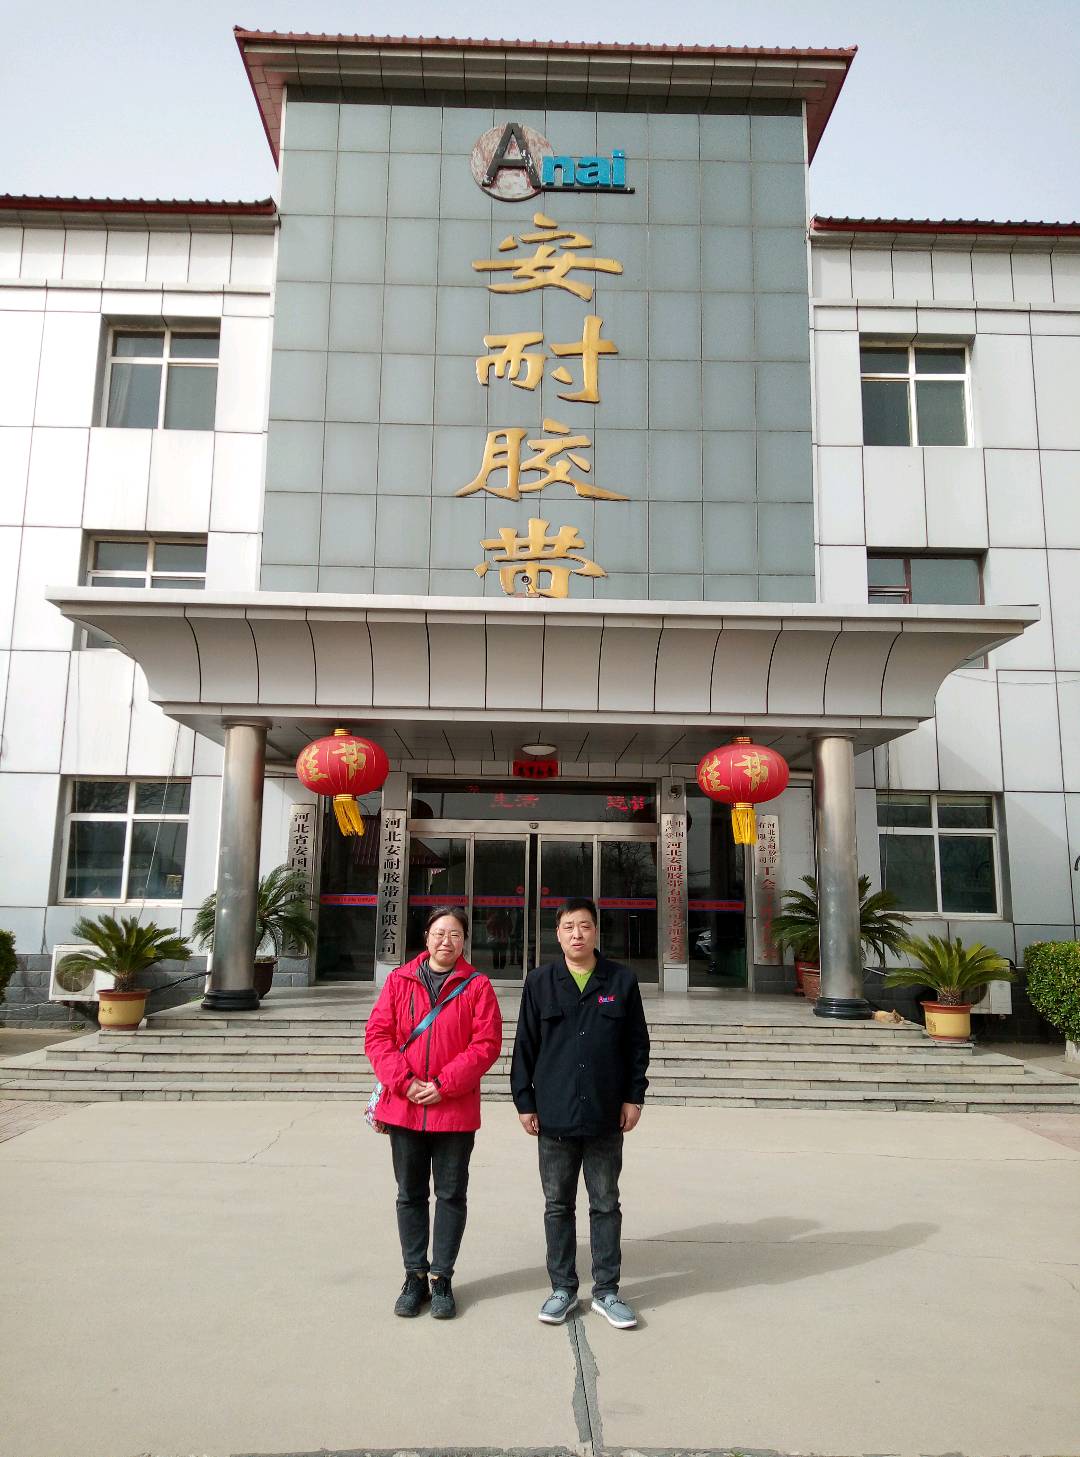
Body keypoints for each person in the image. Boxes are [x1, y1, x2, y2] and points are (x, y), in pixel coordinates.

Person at [510, 897, 650, 1330]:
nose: (577, 934)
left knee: (606, 1203)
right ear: (558, 934)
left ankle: (607, 1290)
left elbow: (637, 1045)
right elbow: (525, 1045)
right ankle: (563, 1289)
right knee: (557, 1205)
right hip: (554, 1114)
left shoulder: (621, 981)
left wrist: (634, 1097)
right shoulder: (540, 982)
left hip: (606, 1113)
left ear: (595, 932)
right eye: (569, 926)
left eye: (585, 926)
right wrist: (524, 1101)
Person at [365, 906, 503, 1320]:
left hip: (454, 1111)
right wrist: (404, 1082)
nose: (446, 941)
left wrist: (444, 1084)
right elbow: (378, 1036)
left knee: (451, 1195)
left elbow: (486, 1044)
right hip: (404, 1108)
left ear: (464, 942)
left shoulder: (477, 985)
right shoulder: (399, 980)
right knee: (410, 1194)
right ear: (426, 937)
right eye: (440, 933)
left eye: (455, 934)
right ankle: (414, 1277)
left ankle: (442, 1278)